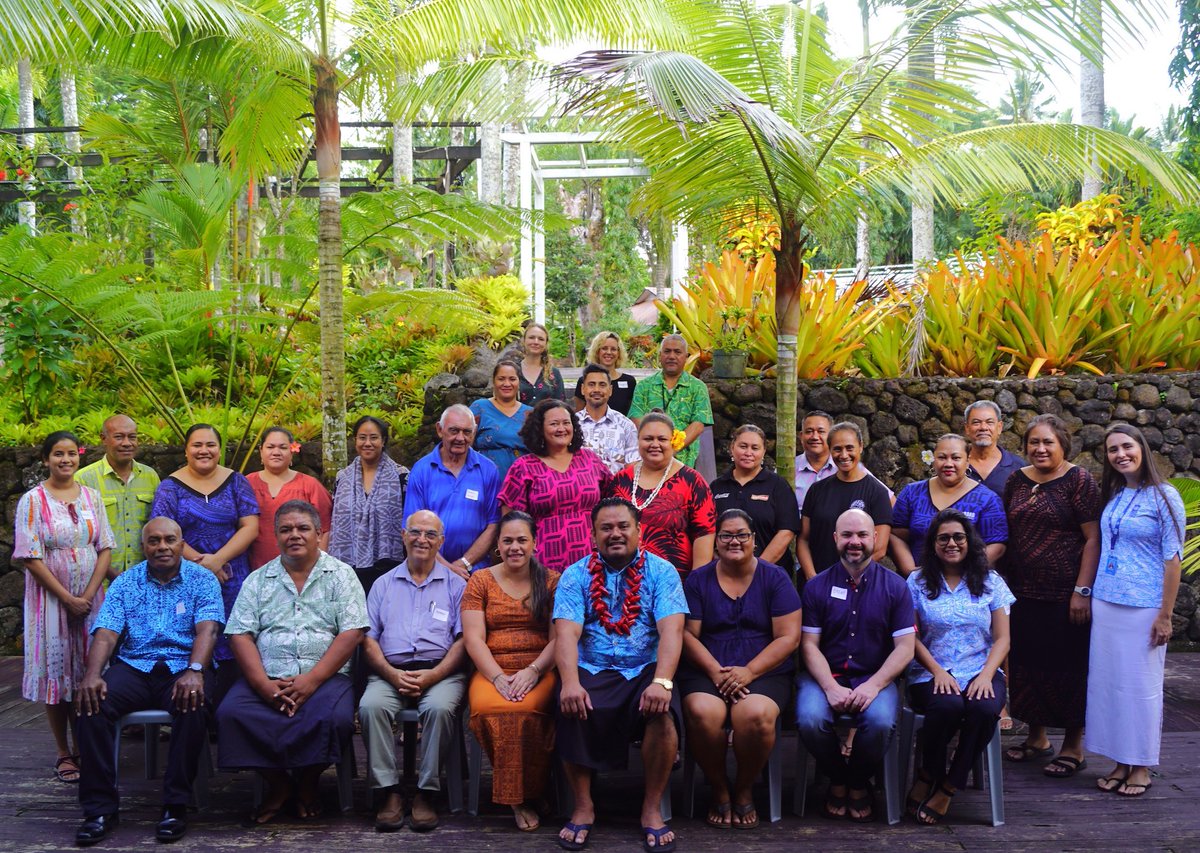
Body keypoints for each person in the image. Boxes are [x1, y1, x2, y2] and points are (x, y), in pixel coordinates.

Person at [73, 517, 223, 846]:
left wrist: (196, 669)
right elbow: (106, 634)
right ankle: (99, 810)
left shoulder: (202, 579)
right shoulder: (126, 583)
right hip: (135, 666)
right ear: (144, 547)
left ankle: (175, 805)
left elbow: (208, 629)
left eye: (170, 540)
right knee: (89, 703)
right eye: (154, 541)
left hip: (183, 666)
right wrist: (92, 675)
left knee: (193, 702)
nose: (162, 546)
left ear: (182, 544)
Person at [218, 500, 368, 823]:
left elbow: (352, 633)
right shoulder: (258, 580)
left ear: (319, 533)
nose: (294, 535)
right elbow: (239, 634)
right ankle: (281, 783)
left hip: (326, 677)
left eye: (302, 528)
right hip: (268, 675)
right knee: (230, 714)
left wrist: (311, 680)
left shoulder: (341, 575)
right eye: (285, 529)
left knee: (335, 719)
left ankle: (309, 783)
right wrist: (262, 685)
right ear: (275, 536)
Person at [553, 497, 688, 852]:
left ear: (639, 531)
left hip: (646, 666)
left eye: (623, 526)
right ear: (593, 534)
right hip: (593, 666)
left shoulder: (662, 572)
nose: (615, 534)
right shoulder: (575, 575)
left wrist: (662, 682)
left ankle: (650, 808)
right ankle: (583, 806)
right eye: (606, 528)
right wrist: (569, 683)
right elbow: (566, 634)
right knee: (569, 705)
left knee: (662, 714)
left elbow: (673, 632)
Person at [681, 509, 801, 830]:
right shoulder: (698, 580)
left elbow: (789, 637)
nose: (734, 541)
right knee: (702, 712)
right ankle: (719, 788)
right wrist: (715, 671)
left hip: (764, 670)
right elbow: (687, 634)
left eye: (741, 535)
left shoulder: (775, 578)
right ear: (716, 542)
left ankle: (744, 788)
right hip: (709, 669)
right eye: (726, 535)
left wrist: (748, 671)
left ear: (754, 541)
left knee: (755, 715)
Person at [1085, 424, 1186, 798]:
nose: (1120, 454)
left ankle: (1140, 765)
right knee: (1110, 686)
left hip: (1144, 606)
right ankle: (1119, 761)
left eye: (1126, 446)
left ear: (1142, 448)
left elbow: (1173, 561)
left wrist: (1165, 614)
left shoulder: (1165, 496)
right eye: (1112, 450)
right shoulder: (1113, 493)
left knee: (1140, 687)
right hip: (1107, 601)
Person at [795, 509, 915, 823]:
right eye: (847, 535)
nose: (855, 542)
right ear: (835, 539)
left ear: (875, 539)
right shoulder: (816, 587)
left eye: (862, 535)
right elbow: (809, 645)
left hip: (876, 677)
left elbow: (905, 648)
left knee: (878, 723)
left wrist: (874, 685)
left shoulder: (896, 587)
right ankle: (838, 778)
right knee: (808, 719)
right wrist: (830, 687)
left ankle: (859, 782)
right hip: (826, 675)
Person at [1001, 414, 1101, 778]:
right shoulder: (1016, 480)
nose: (1040, 449)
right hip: (1022, 592)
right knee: (1028, 665)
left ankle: (1073, 746)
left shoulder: (1079, 480)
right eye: (1034, 443)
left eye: (1048, 443)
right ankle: (1037, 739)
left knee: (1069, 667)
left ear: (1063, 445)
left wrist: (1082, 590)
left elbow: (1093, 537)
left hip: (1065, 594)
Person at [358, 510, 467, 833]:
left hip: (441, 672)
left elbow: (463, 641)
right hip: (390, 671)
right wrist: (391, 674)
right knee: (371, 707)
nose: (422, 539)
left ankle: (426, 792)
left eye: (431, 534)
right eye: (416, 532)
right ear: (404, 536)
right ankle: (388, 791)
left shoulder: (456, 585)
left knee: (439, 708)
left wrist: (434, 676)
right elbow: (368, 639)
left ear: (441, 542)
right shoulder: (382, 584)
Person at [904, 510, 1014, 825]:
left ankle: (948, 784)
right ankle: (931, 771)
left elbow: (1003, 639)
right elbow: (909, 636)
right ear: (933, 544)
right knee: (948, 706)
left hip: (982, 669)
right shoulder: (917, 581)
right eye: (943, 538)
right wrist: (938, 671)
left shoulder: (991, 581)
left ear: (969, 541)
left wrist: (986, 675)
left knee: (984, 708)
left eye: (958, 537)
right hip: (930, 671)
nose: (951, 543)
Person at [16, 431, 114, 785]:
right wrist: (68, 598)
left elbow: (104, 547)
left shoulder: (92, 496)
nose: (66, 460)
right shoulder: (32, 500)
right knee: (57, 675)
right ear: (46, 459)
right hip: (50, 602)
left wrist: (87, 595)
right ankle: (63, 752)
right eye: (58, 454)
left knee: (90, 670)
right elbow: (31, 556)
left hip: (91, 599)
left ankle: (87, 746)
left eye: (72, 453)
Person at [461, 511, 560, 831]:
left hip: (540, 667)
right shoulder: (480, 580)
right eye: (507, 541)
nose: (514, 547)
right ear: (497, 546)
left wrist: (532, 671)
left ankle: (534, 788)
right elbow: (474, 639)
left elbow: (560, 638)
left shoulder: (551, 581)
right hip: (492, 669)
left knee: (530, 710)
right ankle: (518, 798)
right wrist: (498, 677)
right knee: (495, 709)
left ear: (534, 543)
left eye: (521, 540)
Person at [150, 423, 259, 697]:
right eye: (197, 445)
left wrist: (218, 560)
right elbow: (162, 532)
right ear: (186, 450)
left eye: (210, 445)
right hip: (186, 579)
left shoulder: (236, 481)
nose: (204, 450)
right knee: (191, 636)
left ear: (219, 450)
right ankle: (192, 706)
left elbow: (250, 526)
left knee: (235, 638)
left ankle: (232, 711)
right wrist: (202, 564)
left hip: (232, 577)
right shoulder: (169, 488)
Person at [499, 399, 613, 571]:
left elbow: (611, 500)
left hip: (593, 559)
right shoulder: (524, 467)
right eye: (554, 424)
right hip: (544, 562)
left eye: (566, 423)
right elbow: (510, 521)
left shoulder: (590, 460)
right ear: (540, 429)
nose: (561, 429)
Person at [606, 412, 716, 579]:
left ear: (673, 440)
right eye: (648, 439)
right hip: (624, 580)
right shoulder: (621, 480)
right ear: (638, 441)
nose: (654, 444)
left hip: (675, 583)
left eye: (662, 439)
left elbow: (704, 535)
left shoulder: (693, 482)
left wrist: (696, 585)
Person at [402, 404, 500, 579]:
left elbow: (494, 525)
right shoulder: (422, 470)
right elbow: (412, 527)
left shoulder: (488, 470)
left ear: (474, 432)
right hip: (428, 571)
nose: (460, 438)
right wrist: (445, 567)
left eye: (467, 432)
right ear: (440, 430)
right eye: (454, 431)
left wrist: (464, 563)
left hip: (475, 573)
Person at [891, 434, 1008, 575]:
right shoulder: (912, 493)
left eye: (956, 458)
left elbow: (997, 544)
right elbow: (897, 534)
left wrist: (961, 572)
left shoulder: (987, 499)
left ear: (967, 461)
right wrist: (910, 571)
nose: (948, 463)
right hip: (920, 581)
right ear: (934, 460)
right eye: (942, 457)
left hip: (968, 582)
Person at [796, 422, 892, 582]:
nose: (844, 455)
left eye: (850, 448)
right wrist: (812, 577)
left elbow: (879, 549)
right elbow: (803, 539)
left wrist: (846, 577)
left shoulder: (877, 492)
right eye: (837, 449)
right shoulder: (817, 490)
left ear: (860, 447)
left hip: (857, 583)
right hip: (816, 581)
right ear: (830, 450)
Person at [329, 415, 408, 593]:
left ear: (383, 440)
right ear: (355, 440)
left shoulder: (400, 476)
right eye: (362, 437)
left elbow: (408, 518)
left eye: (374, 437)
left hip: (388, 566)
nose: (367, 443)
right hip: (350, 566)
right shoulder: (342, 478)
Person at [76, 414, 160, 578]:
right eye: (119, 437)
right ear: (103, 439)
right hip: (99, 582)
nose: (127, 443)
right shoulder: (84, 479)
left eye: (132, 437)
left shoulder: (150, 477)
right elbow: (80, 536)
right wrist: (113, 575)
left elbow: (157, 526)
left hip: (144, 579)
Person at [710, 424, 801, 575]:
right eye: (743, 446)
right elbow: (707, 532)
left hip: (769, 574)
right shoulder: (716, 487)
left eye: (755, 448)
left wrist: (756, 569)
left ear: (764, 451)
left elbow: (786, 532)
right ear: (732, 448)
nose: (748, 453)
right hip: (725, 574)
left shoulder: (778, 486)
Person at [246, 427, 333, 570]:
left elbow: (326, 528)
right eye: (270, 447)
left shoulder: (309, 485)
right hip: (256, 570)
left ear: (292, 451)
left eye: (283, 447)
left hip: (303, 569)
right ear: (261, 451)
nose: (276, 452)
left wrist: (317, 567)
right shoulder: (246, 484)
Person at [628, 334, 713, 468]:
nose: (672, 356)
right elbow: (636, 417)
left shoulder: (697, 387)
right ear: (660, 356)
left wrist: (671, 450)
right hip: (650, 457)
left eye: (677, 352)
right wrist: (656, 445)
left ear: (686, 357)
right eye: (667, 351)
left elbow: (698, 424)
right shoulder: (644, 386)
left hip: (684, 461)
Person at [793, 411, 891, 511]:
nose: (814, 437)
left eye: (821, 431)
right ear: (801, 436)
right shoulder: (788, 468)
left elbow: (889, 499)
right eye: (809, 431)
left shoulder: (848, 465)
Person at [470, 360, 532, 482]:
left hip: (524, 482)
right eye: (501, 379)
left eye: (512, 379)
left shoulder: (530, 413)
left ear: (519, 382)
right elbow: (465, 443)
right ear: (494, 381)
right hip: (485, 480)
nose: (507, 383)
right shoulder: (479, 408)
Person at [575, 362, 640, 473]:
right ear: (582, 389)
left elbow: (632, 467)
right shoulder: (571, 425)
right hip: (579, 489)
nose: (596, 390)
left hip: (616, 488)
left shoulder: (626, 426)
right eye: (591, 384)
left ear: (610, 390)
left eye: (602, 385)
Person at [963, 400, 1025, 496]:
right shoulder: (956, 465)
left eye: (989, 422)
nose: (983, 427)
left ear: (999, 427)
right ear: (967, 428)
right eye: (976, 422)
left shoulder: (1018, 467)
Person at [572, 331, 638, 415]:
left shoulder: (629, 382)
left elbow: (633, 413)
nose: (609, 352)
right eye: (604, 348)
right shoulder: (584, 381)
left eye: (613, 349)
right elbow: (579, 415)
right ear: (597, 351)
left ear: (618, 353)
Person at [517, 322, 566, 405]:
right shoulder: (513, 370)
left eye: (541, 339)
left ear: (546, 344)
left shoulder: (554, 373)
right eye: (531, 337)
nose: (536, 342)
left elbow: (561, 405)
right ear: (523, 340)